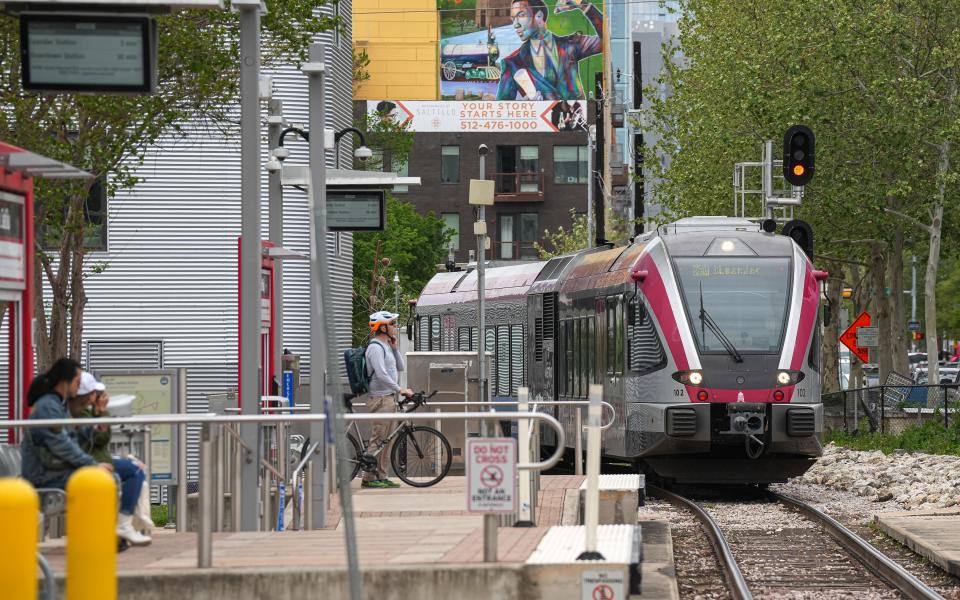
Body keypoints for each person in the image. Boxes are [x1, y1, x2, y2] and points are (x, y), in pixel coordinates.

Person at [75, 372, 154, 541]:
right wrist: (102, 413)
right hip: (94, 461)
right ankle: (125, 523)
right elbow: (98, 438)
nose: (99, 397)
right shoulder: (82, 414)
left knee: (137, 469)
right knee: (135, 471)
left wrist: (100, 413)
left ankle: (131, 523)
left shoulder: (89, 413)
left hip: (100, 459)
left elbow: (102, 438)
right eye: (96, 393)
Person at [496, 0, 602, 100]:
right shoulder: (512, 63)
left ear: (539, 16)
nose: (515, 24)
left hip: (576, 116)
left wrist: (582, 5)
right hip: (541, 118)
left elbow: (607, 40)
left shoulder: (570, 44)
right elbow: (502, 108)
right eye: (513, 19)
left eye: (521, 15)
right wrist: (524, 105)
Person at [362, 310, 413, 489]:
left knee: (387, 439)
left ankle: (381, 475)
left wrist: (395, 348)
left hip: (389, 397)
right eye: (392, 324)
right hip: (380, 399)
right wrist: (400, 389)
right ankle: (369, 477)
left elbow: (400, 367)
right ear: (382, 327)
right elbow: (382, 375)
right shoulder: (375, 347)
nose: (395, 327)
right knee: (378, 438)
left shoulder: (386, 347)